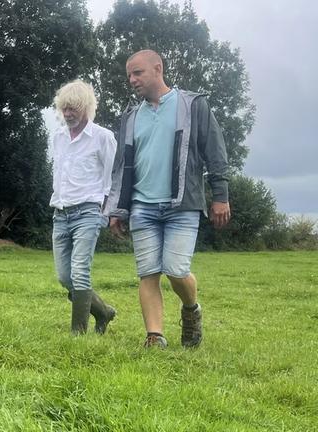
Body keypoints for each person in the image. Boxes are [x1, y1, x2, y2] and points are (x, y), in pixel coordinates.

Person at [105, 49, 231, 348]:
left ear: (157, 68)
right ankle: (155, 336)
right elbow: (122, 166)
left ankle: (191, 310)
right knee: (148, 272)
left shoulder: (192, 105)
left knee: (176, 270)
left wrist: (220, 195)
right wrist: (116, 208)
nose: (132, 80)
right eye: (129, 76)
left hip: (182, 205)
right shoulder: (132, 116)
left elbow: (215, 150)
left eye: (137, 73)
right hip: (142, 207)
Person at [49, 79, 117, 335]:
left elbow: (112, 180)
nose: (67, 114)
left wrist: (105, 214)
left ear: (86, 108)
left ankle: (78, 333)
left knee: (80, 272)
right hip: (60, 213)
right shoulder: (57, 137)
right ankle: (103, 312)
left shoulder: (103, 138)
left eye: (73, 109)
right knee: (64, 277)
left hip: (88, 212)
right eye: (64, 109)